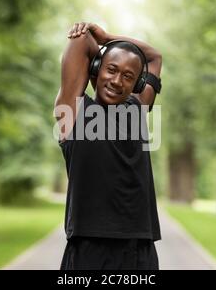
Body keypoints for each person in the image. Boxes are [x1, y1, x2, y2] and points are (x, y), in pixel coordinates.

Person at [54, 22, 163, 270]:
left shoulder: (137, 110)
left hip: (140, 251)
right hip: (90, 252)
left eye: (128, 76)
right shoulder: (73, 112)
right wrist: (100, 41)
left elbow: (154, 57)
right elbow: (82, 41)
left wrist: (109, 38)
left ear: (136, 85)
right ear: (95, 70)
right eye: (111, 70)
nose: (117, 81)